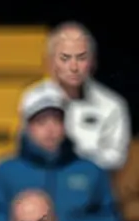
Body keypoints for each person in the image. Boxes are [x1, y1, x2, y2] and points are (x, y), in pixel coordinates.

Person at [0, 85, 120, 221]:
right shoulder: (6, 170)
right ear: (27, 126)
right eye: (41, 121)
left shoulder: (91, 171)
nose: (50, 129)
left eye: (57, 120)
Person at [19, 23, 130, 173]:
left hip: (93, 184)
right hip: (40, 181)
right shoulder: (33, 98)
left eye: (81, 58)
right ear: (51, 62)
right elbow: (26, 148)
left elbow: (117, 158)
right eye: (65, 58)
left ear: (93, 61)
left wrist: (74, 158)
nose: (74, 67)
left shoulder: (112, 105)